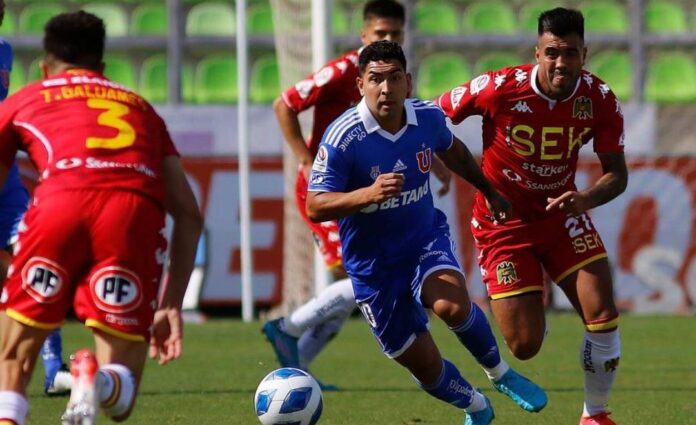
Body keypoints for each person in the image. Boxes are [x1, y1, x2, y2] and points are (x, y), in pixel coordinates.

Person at [306, 40, 547, 425]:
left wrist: (488, 190)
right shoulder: (342, 138)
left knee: (451, 304)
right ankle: (476, 407)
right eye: (376, 80)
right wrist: (367, 194)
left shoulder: (428, 119)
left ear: (409, 82)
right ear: (360, 86)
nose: (386, 88)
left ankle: (501, 374)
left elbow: (453, 152)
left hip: (422, 240)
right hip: (374, 268)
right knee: (425, 366)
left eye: (394, 78)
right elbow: (315, 205)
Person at [0, 11, 202, 425]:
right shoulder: (141, 108)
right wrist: (171, 305)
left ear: (44, 66)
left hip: (59, 205)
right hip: (131, 216)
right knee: (121, 390)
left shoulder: (26, 99)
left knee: (14, 361)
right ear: (103, 68)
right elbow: (188, 213)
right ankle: (94, 379)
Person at [436, 8, 627, 425]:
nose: (561, 63)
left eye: (571, 53)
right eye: (553, 52)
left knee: (603, 314)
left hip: (562, 217)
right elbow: (435, 114)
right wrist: (433, 159)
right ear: (537, 52)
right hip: (502, 223)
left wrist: (587, 198)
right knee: (524, 345)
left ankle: (595, 414)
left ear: (584, 54)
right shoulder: (500, 87)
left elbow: (617, 175)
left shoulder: (599, 98)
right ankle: (528, 312)